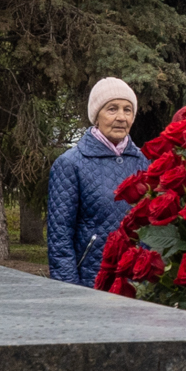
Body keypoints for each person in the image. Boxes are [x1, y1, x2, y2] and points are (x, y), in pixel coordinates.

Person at [47, 78, 142, 287]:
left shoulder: (145, 162)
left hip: (139, 282)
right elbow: (59, 238)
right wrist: (68, 290)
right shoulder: (70, 164)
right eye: (112, 109)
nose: (121, 117)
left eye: (127, 110)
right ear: (96, 116)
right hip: (92, 281)